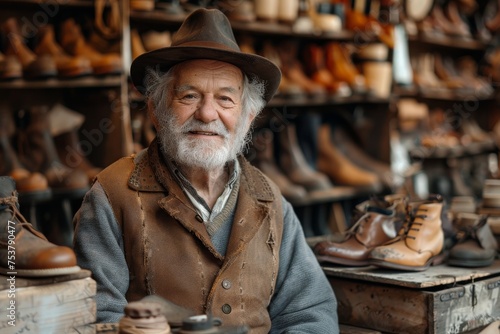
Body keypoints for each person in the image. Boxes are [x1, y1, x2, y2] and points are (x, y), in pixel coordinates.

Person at [73, 8, 339, 333]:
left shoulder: (270, 201)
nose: (208, 113)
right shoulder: (113, 195)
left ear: (248, 116)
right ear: (156, 110)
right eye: (190, 96)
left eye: (225, 99)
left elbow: (310, 312)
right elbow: (97, 316)